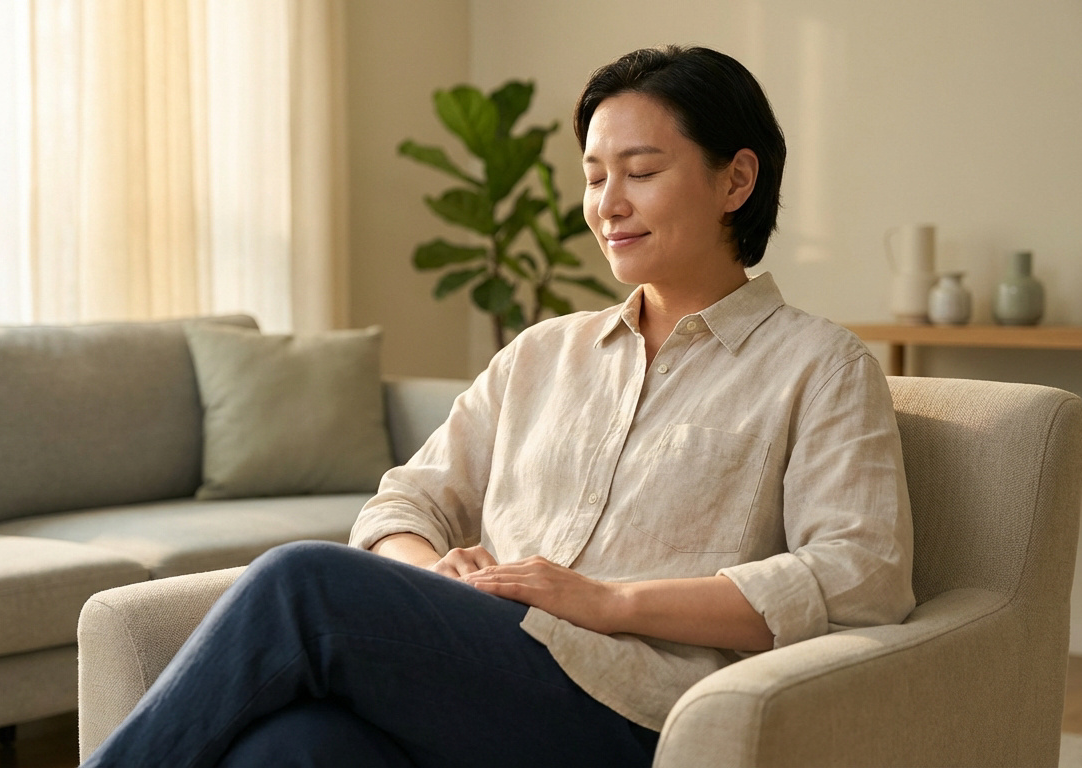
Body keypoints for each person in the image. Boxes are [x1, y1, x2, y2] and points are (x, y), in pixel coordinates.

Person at [81, 45, 915, 768]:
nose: (608, 205)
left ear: (736, 178)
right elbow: (404, 502)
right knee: (289, 748)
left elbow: (861, 575)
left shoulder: (820, 365)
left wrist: (613, 601)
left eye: (641, 172)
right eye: (595, 177)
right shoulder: (541, 354)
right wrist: (430, 573)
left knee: (301, 580)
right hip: (484, 673)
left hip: (635, 712)